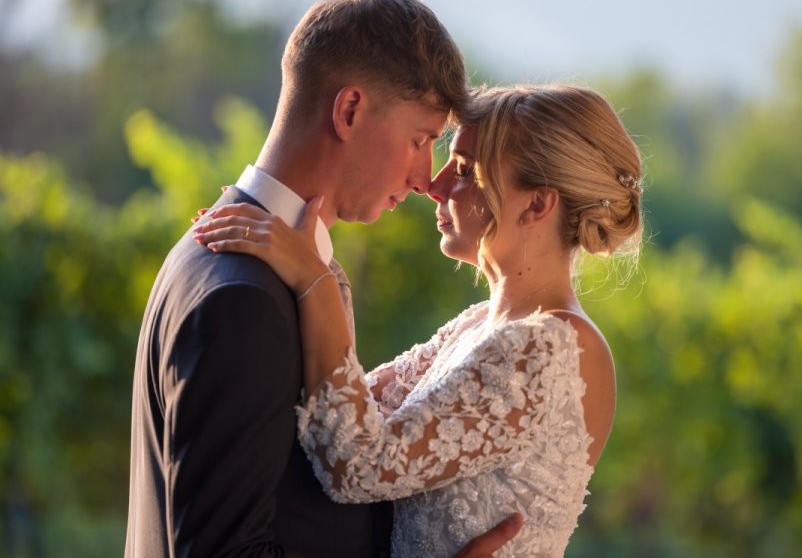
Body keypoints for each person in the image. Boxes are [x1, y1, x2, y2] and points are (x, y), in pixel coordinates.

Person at [125, 0, 521, 557]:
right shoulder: (242, 298)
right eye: (420, 140)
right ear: (350, 110)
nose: (424, 179)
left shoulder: (219, 251)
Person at [192, 84, 644, 556]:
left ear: (537, 204)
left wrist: (314, 284)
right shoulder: (479, 325)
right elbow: (341, 413)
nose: (435, 184)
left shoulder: (548, 348)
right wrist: (287, 236)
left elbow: (356, 463)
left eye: (466, 170)